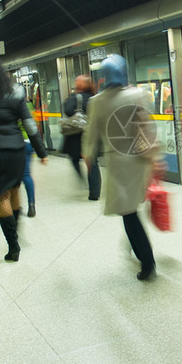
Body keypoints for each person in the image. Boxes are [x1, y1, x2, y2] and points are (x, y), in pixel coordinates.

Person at [82, 55, 162, 280]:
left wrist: (88, 154)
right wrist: (154, 157)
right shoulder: (136, 94)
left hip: (118, 163)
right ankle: (134, 247)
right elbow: (147, 126)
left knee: (128, 214)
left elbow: (91, 132)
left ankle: (148, 263)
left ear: (103, 76)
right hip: (140, 161)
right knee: (131, 208)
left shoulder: (96, 101)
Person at [0, 57, 48, 261]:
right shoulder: (16, 91)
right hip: (15, 149)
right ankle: (16, 228)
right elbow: (29, 124)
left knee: (2, 197)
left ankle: (13, 245)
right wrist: (41, 151)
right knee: (15, 189)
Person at [62, 75, 101, 200]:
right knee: (92, 162)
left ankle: (81, 179)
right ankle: (94, 193)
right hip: (92, 134)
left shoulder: (75, 97)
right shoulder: (94, 97)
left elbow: (67, 110)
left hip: (76, 136)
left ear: (80, 85)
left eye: (76, 81)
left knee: (74, 159)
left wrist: (72, 97)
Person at [18, 93, 38, 217]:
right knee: (26, 175)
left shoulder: (13, 106)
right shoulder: (29, 105)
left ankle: (15, 205)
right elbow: (33, 126)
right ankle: (31, 204)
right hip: (28, 143)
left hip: (14, 143)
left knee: (12, 177)